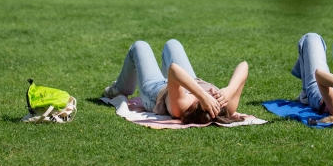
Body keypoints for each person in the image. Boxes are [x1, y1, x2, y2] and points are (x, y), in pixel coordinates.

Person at [102, 39, 249, 124]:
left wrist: (202, 96)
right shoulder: (227, 105)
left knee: (140, 46)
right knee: (173, 44)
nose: (213, 91)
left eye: (211, 96)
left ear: (202, 104)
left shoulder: (183, 107)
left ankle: (119, 88)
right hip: (188, 80)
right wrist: (230, 89)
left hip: (156, 90)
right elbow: (244, 65)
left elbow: (173, 70)